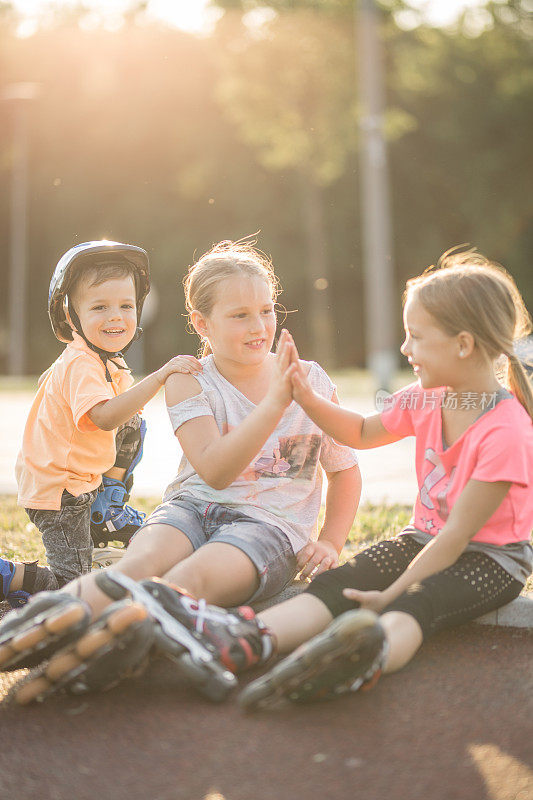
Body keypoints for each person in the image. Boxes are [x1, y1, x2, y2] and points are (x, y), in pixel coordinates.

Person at [0, 239, 360, 704]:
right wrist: (273, 406)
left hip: (268, 529)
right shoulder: (189, 379)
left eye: (266, 310)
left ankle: (112, 642)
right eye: (239, 315)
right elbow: (214, 471)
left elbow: (345, 471)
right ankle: (40, 627)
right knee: (137, 566)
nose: (259, 326)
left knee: (189, 582)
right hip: (192, 508)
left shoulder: (310, 379)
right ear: (201, 323)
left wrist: (330, 541)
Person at [15, 240, 193, 588]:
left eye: (126, 305)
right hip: (59, 494)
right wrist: (160, 376)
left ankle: (106, 508)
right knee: (74, 584)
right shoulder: (81, 361)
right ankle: (10, 576)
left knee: (133, 417)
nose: (115, 316)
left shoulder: (107, 361)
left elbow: (121, 419)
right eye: (99, 307)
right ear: (70, 315)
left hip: (84, 483)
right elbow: (104, 418)